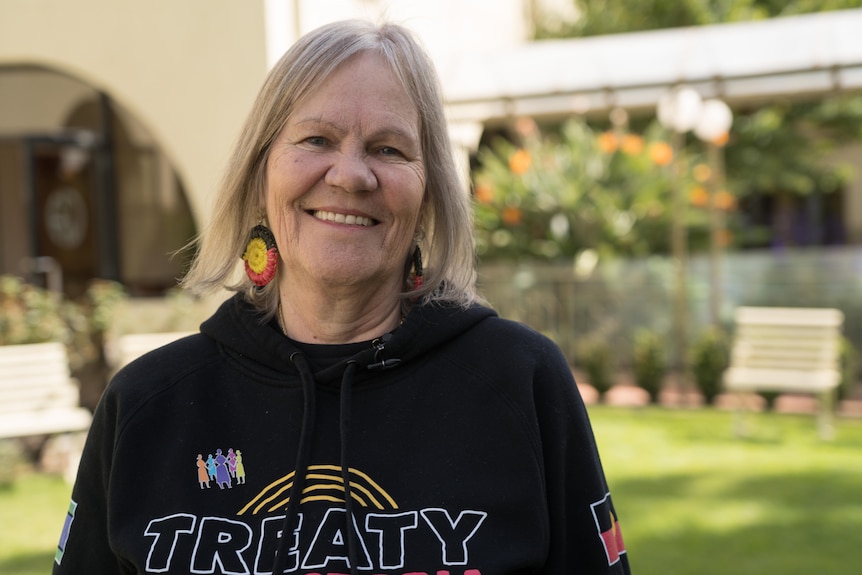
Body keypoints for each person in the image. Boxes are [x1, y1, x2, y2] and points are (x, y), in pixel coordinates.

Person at [53, 19, 630, 575]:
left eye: (388, 149)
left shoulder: (520, 385)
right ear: (261, 175)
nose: (351, 176)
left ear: (429, 192)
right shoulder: (147, 406)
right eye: (316, 139)